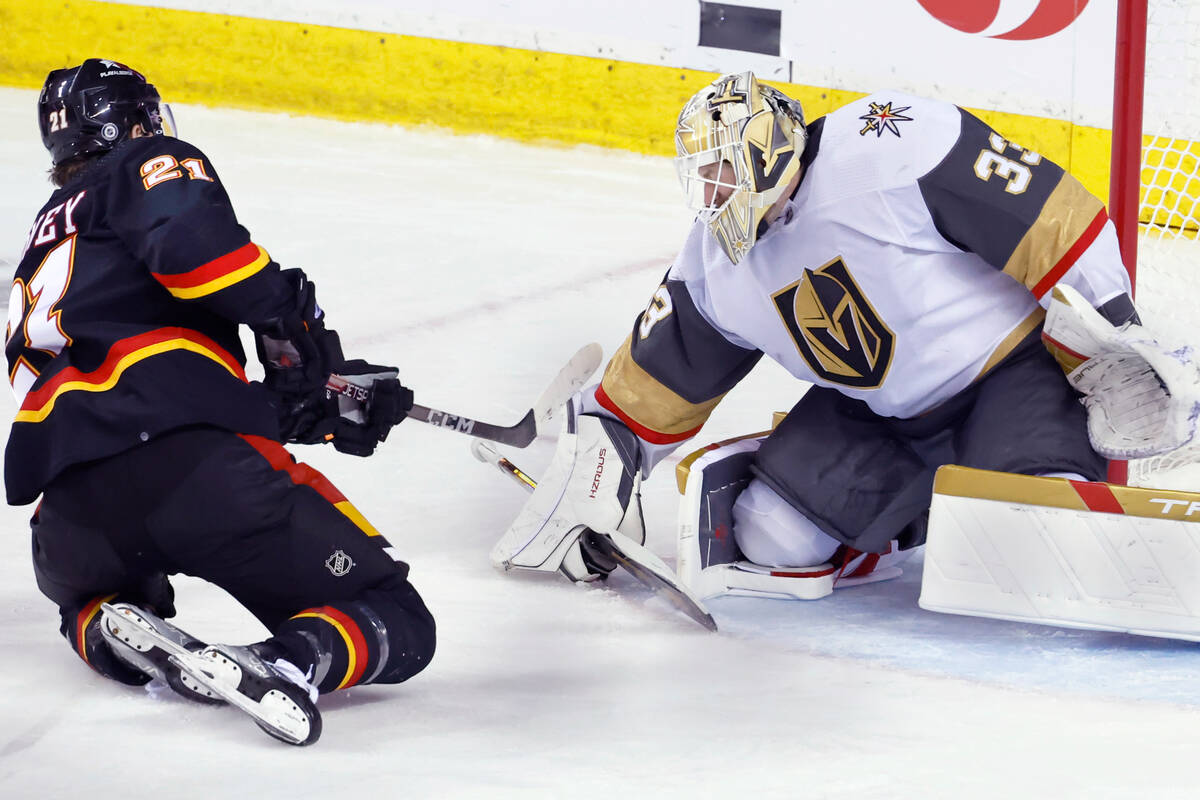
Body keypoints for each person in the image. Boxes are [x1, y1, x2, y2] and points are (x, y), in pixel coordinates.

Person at [490, 70, 1200, 594]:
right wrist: (597, 458)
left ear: (769, 147)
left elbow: (1053, 217)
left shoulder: (888, 143)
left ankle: (995, 487)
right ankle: (902, 525)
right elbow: (659, 375)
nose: (713, 196)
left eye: (724, 172)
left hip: (1014, 376)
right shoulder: (714, 264)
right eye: (702, 180)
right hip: (879, 415)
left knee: (1030, 538)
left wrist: (1108, 337)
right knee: (773, 536)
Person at [7, 59, 435, 745]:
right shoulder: (147, 161)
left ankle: (106, 625)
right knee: (398, 616)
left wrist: (299, 403)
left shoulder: (49, 240)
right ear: (135, 121)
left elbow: (128, 388)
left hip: (69, 526)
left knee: (89, 601)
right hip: (194, 477)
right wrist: (290, 317)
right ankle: (287, 663)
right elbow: (197, 254)